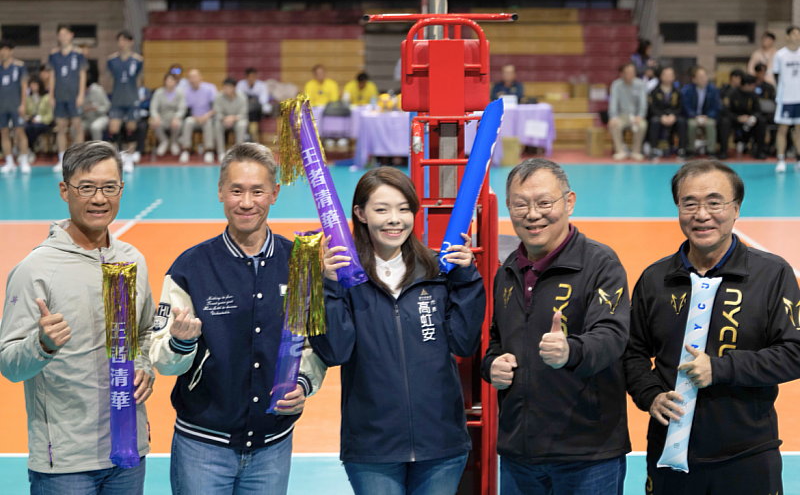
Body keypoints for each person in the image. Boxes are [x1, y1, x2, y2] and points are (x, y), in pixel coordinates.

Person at [151, 143, 326, 495]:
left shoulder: (301, 264)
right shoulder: (189, 268)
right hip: (202, 447)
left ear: (274, 194)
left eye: (257, 191)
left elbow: (314, 342)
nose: (247, 202)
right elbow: (161, 359)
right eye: (236, 190)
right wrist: (180, 342)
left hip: (272, 446)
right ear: (220, 192)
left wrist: (303, 383)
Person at [624, 160, 800, 495]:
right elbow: (631, 352)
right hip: (668, 455)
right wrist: (651, 396)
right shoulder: (654, 279)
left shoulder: (772, 275)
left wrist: (720, 368)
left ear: (736, 209)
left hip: (747, 455)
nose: (701, 214)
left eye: (715, 202)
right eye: (689, 203)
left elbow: (795, 352)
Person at [310, 167, 486, 495]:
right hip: (373, 448)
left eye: (404, 209)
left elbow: (464, 342)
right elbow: (334, 352)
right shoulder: (344, 279)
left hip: (441, 444)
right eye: (382, 209)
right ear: (360, 214)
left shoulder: (437, 271)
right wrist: (328, 289)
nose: (395, 219)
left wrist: (466, 279)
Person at [0, 141, 155, 493]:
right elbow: (8, 364)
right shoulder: (35, 269)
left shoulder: (134, 260)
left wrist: (145, 365)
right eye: (86, 187)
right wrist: (41, 345)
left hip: (128, 453)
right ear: (64, 190)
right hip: (65, 465)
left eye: (109, 187)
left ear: (121, 189)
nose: (99, 199)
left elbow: (145, 332)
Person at [481, 159, 631, 495]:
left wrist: (571, 351)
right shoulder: (507, 271)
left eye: (544, 202)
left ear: (569, 202)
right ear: (508, 208)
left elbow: (612, 336)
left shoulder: (600, 264)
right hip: (520, 454)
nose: (533, 214)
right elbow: (496, 340)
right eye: (520, 204)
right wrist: (491, 365)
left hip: (587, 455)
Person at [48, 24, 88, 173]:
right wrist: (51, 96)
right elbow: (52, 76)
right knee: (61, 128)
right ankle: (62, 160)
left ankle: (81, 160)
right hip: (59, 96)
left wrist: (81, 95)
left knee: (77, 127)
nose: (63, 36)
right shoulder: (53, 55)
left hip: (74, 96)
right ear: (58, 36)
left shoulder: (78, 53)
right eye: (61, 34)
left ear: (71, 35)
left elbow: (82, 75)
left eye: (66, 34)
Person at [106, 30, 144, 173]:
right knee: (113, 129)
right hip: (117, 99)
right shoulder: (111, 60)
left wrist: (136, 95)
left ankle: (129, 158)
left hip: (132, 99)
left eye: (126, 40)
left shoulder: (138, 60)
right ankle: (116, 158)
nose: (123, 43)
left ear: (131, 42)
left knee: (131, 129)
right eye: (120, 40)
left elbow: (139, 79)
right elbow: (109, 79)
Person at [718, 74, 767, 160]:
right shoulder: (732, 93)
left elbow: (758, 110)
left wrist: (752, 117)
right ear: (747, 85)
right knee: (725, 121)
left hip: (749, 121)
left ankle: (759, 151)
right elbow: (726, 111)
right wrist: (737, 118)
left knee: (762, 121)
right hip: (734, 120)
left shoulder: (753, 95)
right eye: (753, 85)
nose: (754, 87)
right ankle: (723, 151)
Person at [772, 25, 800, 173]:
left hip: (799, 99)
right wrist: (783, 93)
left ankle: (799, 159)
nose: (797, 36)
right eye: (794, 34)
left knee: (799, 130)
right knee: (783, 129)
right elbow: (776, 76)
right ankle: (781, 159)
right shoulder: (780, 55)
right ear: (787, 36)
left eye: (799, 34)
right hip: (786, 99)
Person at [0, 39, 30, 174]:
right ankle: (9, 161)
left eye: (5, 49)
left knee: (20, 132)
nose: (3, 52)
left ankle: (24, 160)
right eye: (1, 49)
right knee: (4, 133)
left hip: (16, 105)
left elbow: (24, 86)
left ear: (11, 50)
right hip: (2, 106)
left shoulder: (19, 66)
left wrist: (23, 104)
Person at [608, 62, 648, 160]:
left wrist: (640, 116)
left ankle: (636, 151)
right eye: (628, 72)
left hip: (636, 116)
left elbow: (643, 103)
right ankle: (620, 151)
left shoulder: (640, 84)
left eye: (632, 72)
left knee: (642, 125)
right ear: (622, 74)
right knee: (614, 124)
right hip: (621, 116)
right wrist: (613, 117)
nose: (631, 74)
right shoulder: (616, 85)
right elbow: (613, 103)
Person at [647, 66, 688, 159]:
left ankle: (682, 150)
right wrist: (662, 116)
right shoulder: (654, 92)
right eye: (666, 75)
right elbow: (652, 107)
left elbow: (680, 107)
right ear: (661, 76)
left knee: (682, 121)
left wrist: (673, 115)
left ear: (674, 77)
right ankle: (653, 149)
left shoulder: (678, 92)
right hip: (660, 117)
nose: (668, 77)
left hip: (674, 116)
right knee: (654, 121)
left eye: (671, 75)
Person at [682, 66, 721, 157]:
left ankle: (711, 151)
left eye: (705, 76)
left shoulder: (713, 90)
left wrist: (707, 116)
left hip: (708, 117)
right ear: (694, 79)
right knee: (691, 125)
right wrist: (695, 116)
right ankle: (691, 150)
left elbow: (716, 107)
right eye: (700, 77)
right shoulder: (688, 90)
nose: (704, 79)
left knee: (711, 124)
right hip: (694, 117)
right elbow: (686, 106)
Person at [179, 69, 217, 164]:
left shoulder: (210, 88)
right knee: (188, 122)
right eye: (190, 77)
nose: (193, 79)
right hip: (194, 118)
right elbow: (186, 110)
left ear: (200, 77)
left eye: (195, 77)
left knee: (208, 123)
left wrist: (206, 116)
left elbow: (216, 107)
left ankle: (209, 150)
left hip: (207, 117)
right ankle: (186, 150)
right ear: (188, 79)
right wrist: (195, 117)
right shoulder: (185, 92)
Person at [151, 72, 186, 157]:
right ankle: (164, 141)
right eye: (168, 80)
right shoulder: (158, 93)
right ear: (165, 82)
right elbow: (153, 108)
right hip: (162, 118)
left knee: (178, 124)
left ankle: (174, 142)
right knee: (154, 123)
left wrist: (177, 117)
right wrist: (156, 116)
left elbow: (182, 108)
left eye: (172, 80)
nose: (170, 82)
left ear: (175, 82)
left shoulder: (180, 93)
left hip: (174, 118)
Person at [213, 77, 248, 160]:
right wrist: (224, 118)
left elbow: (243, 114)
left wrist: (233, 118)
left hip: (237, 120)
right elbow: (217, 112)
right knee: (217, 124)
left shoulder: (242, 97)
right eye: (224, 87)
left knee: (242, 125)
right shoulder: (219, 96)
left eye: (228, 87)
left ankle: (238, 152)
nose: (225, 90)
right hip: (223, 121)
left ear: (234, 88)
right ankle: (221, 152)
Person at [24, 77, 53, 153]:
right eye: (31, 85)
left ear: (39, 85)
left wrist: (39, 119)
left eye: (35, 84)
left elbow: (50, 115)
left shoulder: (47, 97)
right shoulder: (27, 98)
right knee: (26, 127)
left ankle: (30, 148)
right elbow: (24, 112)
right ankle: (28, 149)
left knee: (34, 128)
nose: (33, 87)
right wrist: (26, 117)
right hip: (30, 121)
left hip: (44, 122)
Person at [82, 73, 111, 143]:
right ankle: (78, 150)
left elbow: (108, 106)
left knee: (95, 127)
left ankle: (97, 149)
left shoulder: (99, 90)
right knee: (75, 128)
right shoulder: (79, 92)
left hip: (100, 117)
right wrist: (85, 110)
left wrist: (97, 108)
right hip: (86, 119)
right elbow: (77, 111)